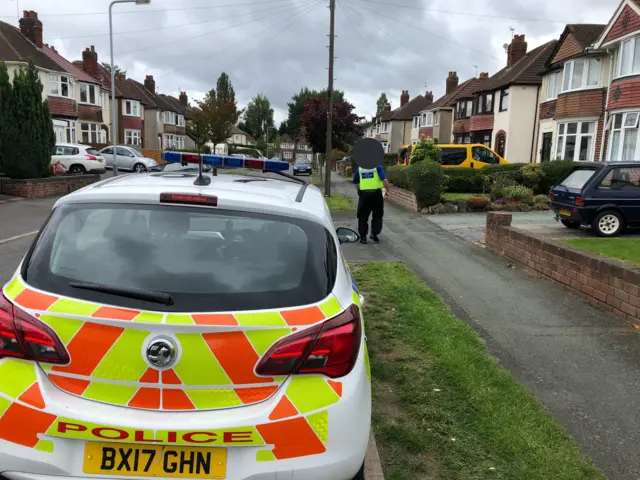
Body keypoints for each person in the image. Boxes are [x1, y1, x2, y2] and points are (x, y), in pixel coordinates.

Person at [352, 164, 390, 244]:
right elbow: (384, 181)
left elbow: (356, 182)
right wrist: (387, 191)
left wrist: (359, 191)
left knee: (362, 216)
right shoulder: (378, 167)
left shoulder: (360, 168)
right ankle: (374, 233)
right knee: (377, 215)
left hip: (364, 195)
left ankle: (363, 237)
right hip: (376, 195)